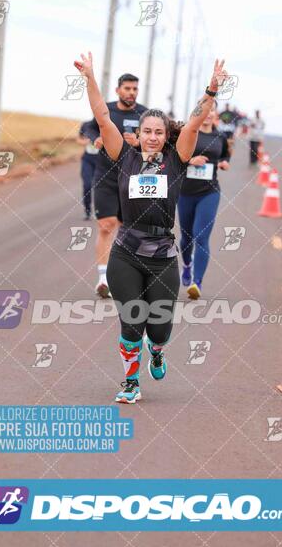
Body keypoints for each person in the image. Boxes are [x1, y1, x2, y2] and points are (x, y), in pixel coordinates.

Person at [74, 51, 227, 404]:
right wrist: (90, 78)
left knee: (158, 328)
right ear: (138, 134)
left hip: (162, 256)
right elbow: (102, 115)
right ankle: (130, 382)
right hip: (126, 252)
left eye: (159, 132)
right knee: (131, 322)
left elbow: (192, 123)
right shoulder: (123, 156)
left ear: (165, 135)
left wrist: (211, 90)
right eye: (147, 131)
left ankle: (156, 350)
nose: (154, 137)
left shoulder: (176, 158)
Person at [84, 74, 148, 298]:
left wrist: (139, 143)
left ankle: (125, 275)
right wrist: (96, 139)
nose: (131, 92)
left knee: (128, 230)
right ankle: (103, 278)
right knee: (106, 226)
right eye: (127, 88)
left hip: (133, 177)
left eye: (135, 89)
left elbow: (157, 140)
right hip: (106, 177)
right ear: (118, 90)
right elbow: (89, 128)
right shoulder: (107, 110)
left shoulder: (144, 114)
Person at [178, 106, 231, 299]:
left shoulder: (220, 137)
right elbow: (176, 157)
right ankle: (186, 265)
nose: (208, 114)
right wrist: (190, 160)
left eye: (212, 111)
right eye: (205, 110)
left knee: (201, 236)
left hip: (209, 192)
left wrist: (224, 163)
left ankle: (196, 282)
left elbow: (225, 155)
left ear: (215, 114)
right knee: (186, 237)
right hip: (185, 192)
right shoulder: (188, 133)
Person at [77, 121, 98, 220]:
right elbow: (79, 140)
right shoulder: (87, 125)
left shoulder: (109, 124)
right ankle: (87, 210)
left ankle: (101, 211)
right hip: (88, 159)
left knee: (101, 187)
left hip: (102, 160)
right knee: (87, 185)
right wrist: (86, 141)